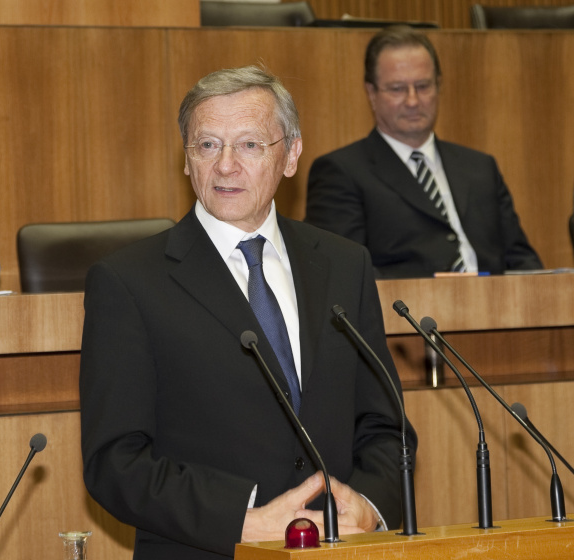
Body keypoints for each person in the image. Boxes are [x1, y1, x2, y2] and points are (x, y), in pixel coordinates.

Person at [80, 66, 414, 560]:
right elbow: (115, 461)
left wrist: (368, 504)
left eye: (250, 145)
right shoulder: (129, 282)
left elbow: (385, 425)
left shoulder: (345, 265)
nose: (226, 166)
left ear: (291, 154)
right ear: (187, 160)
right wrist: (240, 519)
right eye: (207, 145)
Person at [305, 26, 541, 279]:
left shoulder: (480, 167)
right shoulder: (340, 172)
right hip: (409, 314)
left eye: (423, 86)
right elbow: (342, 274)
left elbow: (522, 262)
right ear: (371, 93)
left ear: (438, 86)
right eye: (397, 88)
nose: (413, 101)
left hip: (501, 311)